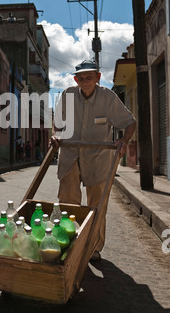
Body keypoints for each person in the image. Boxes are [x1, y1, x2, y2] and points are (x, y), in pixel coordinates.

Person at [51, 59, 136, 261]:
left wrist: (124, 140)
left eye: (89, 77)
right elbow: (58, 125)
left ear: (98, 78)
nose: (85, 81)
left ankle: (93, 248)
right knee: (67, 203)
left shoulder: (108, 97)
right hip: (70, 156)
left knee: (97, 206)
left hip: (98, 159)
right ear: (75, 80)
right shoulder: (67, 95)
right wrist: (55, 136)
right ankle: (67, 241)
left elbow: (129, 122)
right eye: (81, 78)